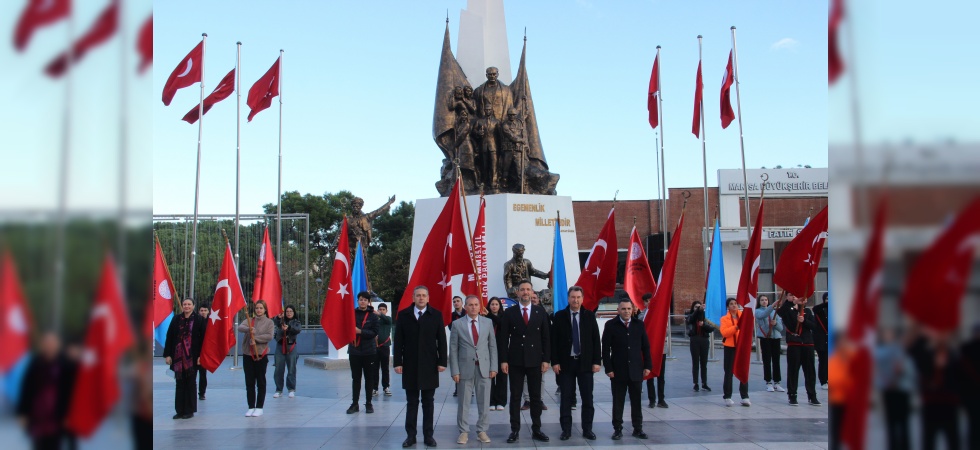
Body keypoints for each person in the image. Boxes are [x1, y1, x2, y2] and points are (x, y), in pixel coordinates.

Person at [394, 286, 447, 448]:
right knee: (412, 402)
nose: (421, 298)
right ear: (413, 297)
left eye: (424, 295)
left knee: (428, 402)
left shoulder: (436, 315)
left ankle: (428, 435)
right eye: (418, 295)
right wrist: (397, 362)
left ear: (428, 298)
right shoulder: (404, 315)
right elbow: (398, 342)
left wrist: (442, 362)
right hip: (409, 365)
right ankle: (410, 436)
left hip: (430, 365)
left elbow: (442, 341)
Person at [499, 279, 551, 443]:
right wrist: (503, 360)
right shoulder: (510, 313)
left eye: (528, 289)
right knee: (515, 397)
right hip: (515, 361)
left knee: (535, 397)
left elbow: (546, 338)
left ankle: (537, 429)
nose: (525, 292)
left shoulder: (539, 312)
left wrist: (546, 359)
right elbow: (502, 339)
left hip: (535, 360)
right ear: (518, 292)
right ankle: (515, 430)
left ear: (532, 292)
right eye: (522, 290)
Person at [551, 286, 601, 441]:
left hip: (585, 364)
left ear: (582, 299)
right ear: (568, 298)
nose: (575, 300)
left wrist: (596, 361)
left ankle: (587, 429)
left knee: (587, 398)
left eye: (578, 297)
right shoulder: (559, 316)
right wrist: (555, 361)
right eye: (573, 297)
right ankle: (566, 429)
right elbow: (554, 342)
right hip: (566, 364)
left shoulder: (589, 316)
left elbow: (595, 340)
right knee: (566, 398)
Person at [449, 295, 497, 445]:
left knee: (484, 402)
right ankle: (463, 431)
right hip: (464, 369)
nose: (473, 307)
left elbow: (492, 346)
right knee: (464, 402)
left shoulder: (488, 322)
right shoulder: (457, 324)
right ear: (465, 306)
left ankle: (482, 430)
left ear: (480, 306)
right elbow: (453, 349)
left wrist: (493, 367)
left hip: (484, 368)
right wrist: (455, 370)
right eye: (470, 305)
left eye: (476, 304)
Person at [17, 332, 77, 449]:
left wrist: (69, 414)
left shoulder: (66, 365)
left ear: (58, 345)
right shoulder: (35, 364)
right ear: (42, 345)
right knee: (38, 445)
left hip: (58, 416)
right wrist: (22, 412)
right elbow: (26, 389)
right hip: (38, 416)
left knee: (56, 444)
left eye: (52, 343)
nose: (49, 346)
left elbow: (71, 392)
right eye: (47, 343)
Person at [602, 299, 652, 440]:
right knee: (618, 401)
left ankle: (638, 428)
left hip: (636, 369)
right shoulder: (611, 325)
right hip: (618, 371)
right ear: (618, 310)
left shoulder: (639, 325)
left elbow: (646, 347)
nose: (626, 311)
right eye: (623, 309)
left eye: (629, 309)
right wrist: (609, 368)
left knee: (636, 401)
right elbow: (605, 349)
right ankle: (617, 429)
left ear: (633, 310)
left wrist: (648, 365)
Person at [164, 298, 206, 419]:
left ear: (193, 306)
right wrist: (168, 355)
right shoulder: (176, 319)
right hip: (177, 358)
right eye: (184, 304)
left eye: (189, 304)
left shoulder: (199, 320)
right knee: (179, 383)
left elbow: (204, 339)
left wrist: (201, 356)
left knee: (191, 383)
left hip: (192, 358)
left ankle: (189, 410)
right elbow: (170, 337)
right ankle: (180, 410)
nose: (186, 306)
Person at [875, 327, 915, 450]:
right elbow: (878, 371)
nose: (888, 337)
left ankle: (905, 446)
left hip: (902, 391)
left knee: (903, 423)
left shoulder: (903, 352)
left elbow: (910, 370)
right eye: (886, 335)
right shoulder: (881, 352)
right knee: (891, 424)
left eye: (890, 335)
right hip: (889, 391)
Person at [777, 291, 819, 406]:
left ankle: (812, 395)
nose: (794, 297)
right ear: (787, 297)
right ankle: (792, 395)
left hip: (807, 343)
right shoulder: (787, 309)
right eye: (791, 295)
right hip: (794, 343)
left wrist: (804, 321)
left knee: (810, 371)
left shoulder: (807, 311)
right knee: (793, 370)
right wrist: (790, 303)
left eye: (795, 295)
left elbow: (814, 326)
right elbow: (780, 313)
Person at [237, 300, 275, 417]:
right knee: (249, 382)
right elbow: (240, 327)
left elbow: (269, 336)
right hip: (248, 354)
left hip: (260, 355)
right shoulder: (250, 320)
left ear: (265, 310)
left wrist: (256, 338)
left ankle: (259, 407)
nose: (259, 310)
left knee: (261, 381)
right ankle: (251, 406)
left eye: (261, 308)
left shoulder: (269, 322)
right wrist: (249, 329)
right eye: (257, 308)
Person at [347, 291, 379, 414]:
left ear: (368, 302)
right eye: (360, 299)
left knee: (369, 378)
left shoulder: (373, 316)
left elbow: (374, 333)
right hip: (354, 351)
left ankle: (369, 403)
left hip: (369, 351)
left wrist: (360, 331)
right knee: (356, 378)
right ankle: (355, 403)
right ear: (358, 301)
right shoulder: (352, 314)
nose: (363, 302)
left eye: (365, 300)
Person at [639, 293, 668, 408]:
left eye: (650, 300)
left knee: (661, 375)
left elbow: (667, 332)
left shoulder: (662, 315)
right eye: (646, 301)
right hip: (648, 350)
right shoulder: (642, 316)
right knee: (649, 374)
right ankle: (652, 399)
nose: (648, 303)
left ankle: (661, 399)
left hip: (661, 350)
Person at [720, 297, 750, 406]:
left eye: (735, 303)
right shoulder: (724, 319)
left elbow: (747, 328)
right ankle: (727, 396)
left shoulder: (743, 316)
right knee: (728, 372)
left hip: (741, 347)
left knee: (743, 370)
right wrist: (736, 327)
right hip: (730, 347)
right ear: (728, 307)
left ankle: (745, 396)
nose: (734, 305)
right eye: (731, 304)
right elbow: (725, 332)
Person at [754, 294, 785, 392]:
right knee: (767, 360)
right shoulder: (758, 311)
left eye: (766, 300)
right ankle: (768, 382)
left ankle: (777, 382)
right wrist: (772, 306)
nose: (764, 302)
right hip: (765, 338)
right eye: (762, 300)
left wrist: (775, 324)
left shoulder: (775, 312)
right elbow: (763, 315)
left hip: (775, 338)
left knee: (776, 360)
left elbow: (781, 328)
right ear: (759, 302)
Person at [272, 304, 301, 399]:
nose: (289, 313)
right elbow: (275, 322)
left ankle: (291, 389)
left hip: (291, 347)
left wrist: (288, 328)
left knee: (291, 368)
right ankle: (278, 389)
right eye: (287, 311)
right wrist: (278, 317)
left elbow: (297, 329)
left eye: (290, 311)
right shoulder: (281, 320)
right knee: (278, 369)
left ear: (293, 313)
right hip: (280, 347)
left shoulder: (296, 322)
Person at [686, 300, 714, 392]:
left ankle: (704, 383)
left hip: (704, 340)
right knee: (695, 362)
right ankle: (695, 383)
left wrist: (703, 326)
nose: (698, 308)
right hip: (694, 340)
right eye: (695, 307)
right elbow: (691, 320)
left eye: (699, 306)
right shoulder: (691, 316)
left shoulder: (706, 317)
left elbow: (711, 328)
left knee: (704, 363)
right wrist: (698, 310)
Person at [486, 297, 508, 411]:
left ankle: (501, 401)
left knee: (502, 376)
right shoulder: (484, 317)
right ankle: (491, 400)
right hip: (488, 350)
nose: (494, 306)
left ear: (500, 306)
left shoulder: (504, 317)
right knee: (489, 376)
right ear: (489, 306)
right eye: (492, 304)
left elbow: (502, 325)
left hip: (501, 349)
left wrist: (490, 316)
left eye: (496, 304)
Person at [960, 324, 980, 450]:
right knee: (973, 422)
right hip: (971, 393)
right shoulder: (966, 349)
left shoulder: (965, 348)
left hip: (970, 393)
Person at [372, 302, 393, 397]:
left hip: (385, 347)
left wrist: (378, 313)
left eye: (383, 310)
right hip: (375, 347)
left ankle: (386, 387)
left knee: (385, 368)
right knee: (375, 368)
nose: (381, 311)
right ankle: (374, 388)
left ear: (386, 311)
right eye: (380, 309)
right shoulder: (374, 320)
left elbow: (385, 319)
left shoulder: (388, 319)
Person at [813, 292, 829, 390]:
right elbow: (815, 309)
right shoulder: (820, 310)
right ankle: (824, 380)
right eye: (827, 298)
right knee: (823, 360)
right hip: (822, 340)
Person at [450, 295, 464, 397]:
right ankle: (457, 388)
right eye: (454, 302)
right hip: (457, 341)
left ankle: (469, 389)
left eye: (458, 301)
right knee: (457, 365)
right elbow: (451, 327)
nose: (456, 303)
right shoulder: (451, 315)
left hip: (468, 342)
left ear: (462, 302)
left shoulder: (467, 313)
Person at [197, 303, 210, 400]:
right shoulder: (195, 321)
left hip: (204, 351)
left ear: (208, 312)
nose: (203, 312)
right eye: (201, 310)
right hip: (194, 350)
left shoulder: (211, 322)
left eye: (205, 310)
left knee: (203, 373)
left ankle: (202, 392)